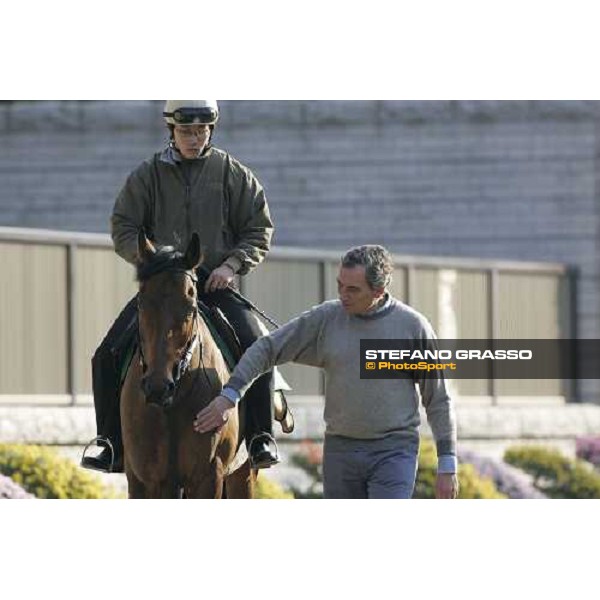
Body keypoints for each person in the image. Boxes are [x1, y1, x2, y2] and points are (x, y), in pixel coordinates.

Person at [81, 100, 279, 473]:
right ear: (171, 130)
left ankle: (259, 437)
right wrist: (150, 262)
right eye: (186, 131)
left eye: (201, 131)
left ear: (211, 130)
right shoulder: (146, 175)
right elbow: (123, 225)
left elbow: (258, 230)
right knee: (106, 355)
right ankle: (108, 442)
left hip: (216, 285)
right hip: (162, 287)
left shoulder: (234, 174)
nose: (194, 138)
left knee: (258, 347)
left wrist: (231, 265)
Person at [194, 245, 459, 499]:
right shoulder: (327, 318)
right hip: (340, 451)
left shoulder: (413, 328)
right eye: (340, 285)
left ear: (379, 290)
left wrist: (447, 463)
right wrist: (229, 396)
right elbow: (267, 348)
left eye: (353, 289)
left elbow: (438, 399)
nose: (343, 294)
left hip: (394, 451)